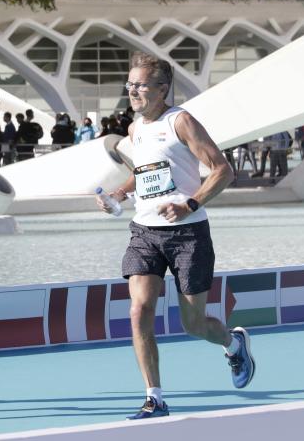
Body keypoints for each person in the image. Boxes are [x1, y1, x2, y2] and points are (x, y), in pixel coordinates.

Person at [96, 52, 255, 420]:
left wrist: (191, 204)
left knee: (193, 325)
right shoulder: (136, 128)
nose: (132, 91)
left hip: (188, 236)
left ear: (162, 88)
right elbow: (146, 171)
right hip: (145, 233)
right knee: (139, 311)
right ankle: (155, 397)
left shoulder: (180, 121)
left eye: (140, 85)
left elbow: (222, 170)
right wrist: (119, 194)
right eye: (130, 84)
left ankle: (234, 344)